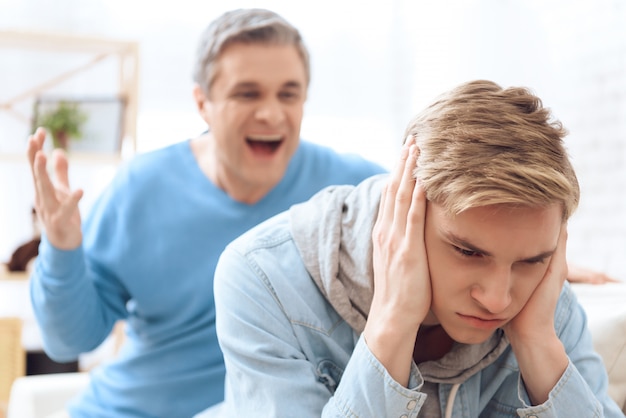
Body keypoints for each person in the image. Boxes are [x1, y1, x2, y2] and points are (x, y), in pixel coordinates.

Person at [26, 8, 387, 418]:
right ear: (203, 102)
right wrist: (60, 249)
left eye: (288, 93)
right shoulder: (140, 189)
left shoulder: (353, 193)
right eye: (247, 93)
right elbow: (69, 341)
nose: (271, 113)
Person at [212, 80, 624, 417]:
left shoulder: (544, 302)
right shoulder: (260, 277)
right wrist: (391, 324)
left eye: (531, 260)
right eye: (468, 252)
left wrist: (537, 343)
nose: (498, 298)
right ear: (406, 210)